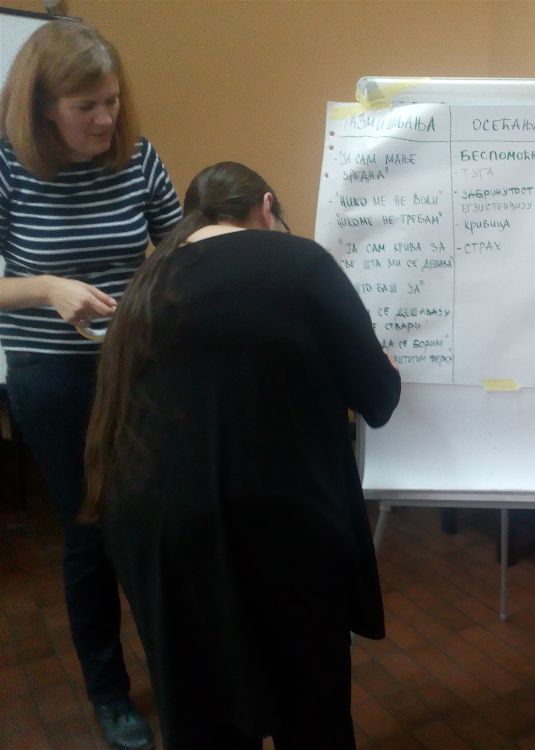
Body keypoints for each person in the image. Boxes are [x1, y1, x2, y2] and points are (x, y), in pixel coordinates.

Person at [82, 161, 402, 749]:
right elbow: (377, 400)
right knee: (310, 706)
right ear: (267, 206)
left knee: (203, 708)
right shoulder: (301, 262)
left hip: (155, 525)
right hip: (277, 518)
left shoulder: (149, 279)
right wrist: (384, 368)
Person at [0, 20, 181, 749]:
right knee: (90, 529)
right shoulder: (8, 166)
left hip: (137, 366)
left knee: (156, 521)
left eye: (111, 101)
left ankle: (178, 670)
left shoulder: (137, 157)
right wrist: (47, 288)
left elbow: (178, 246)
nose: (106, 120)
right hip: (51, 375)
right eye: (86, 107)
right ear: (44, 108)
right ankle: (109, 693)